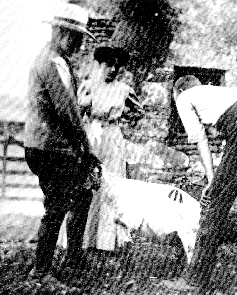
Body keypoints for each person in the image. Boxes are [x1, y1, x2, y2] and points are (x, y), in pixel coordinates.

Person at [163, 75, 237, 293]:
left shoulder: (184, 97)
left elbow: (200, 140)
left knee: (214, 204)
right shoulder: (220, 93)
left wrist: (212, 180)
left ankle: (194, 280)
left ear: (178, 91)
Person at [24, 3, 100, 283]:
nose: (79, 45)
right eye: (76, 38)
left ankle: (74, 257)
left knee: (82, 195)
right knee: (57, 205)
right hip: (50, 146)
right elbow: (68, 111)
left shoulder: (55, 59)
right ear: (59, 32)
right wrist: (86, 148)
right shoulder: (53, 62)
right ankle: (41, 271)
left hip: (49, 144)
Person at [78, 46, 144, 251]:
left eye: (117, 65)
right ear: (100, 65)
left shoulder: (124, 90)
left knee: (111, 184)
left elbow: (139, 112)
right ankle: (83, 240)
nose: (113, 69)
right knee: (88, 184)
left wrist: (122, 114)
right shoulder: (88, 86)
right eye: (109, 64)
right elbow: (77, 111)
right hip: (93, 135)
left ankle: (107, 241)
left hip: (113, 138)